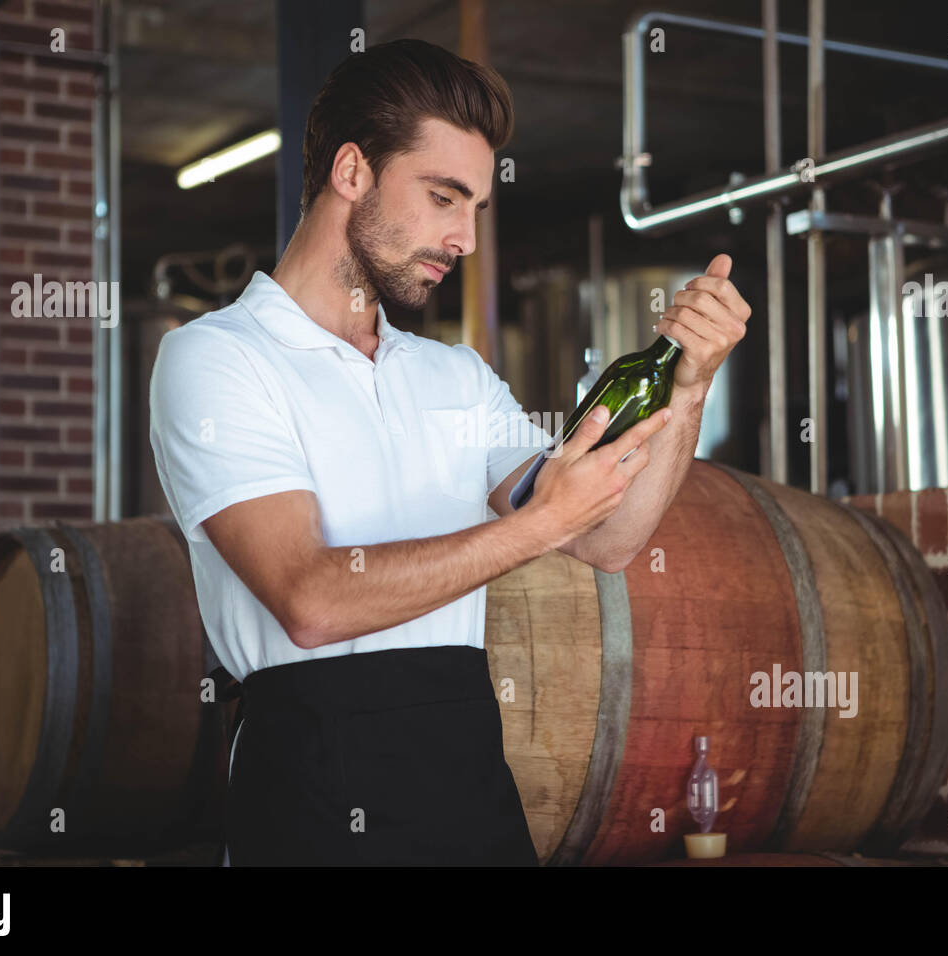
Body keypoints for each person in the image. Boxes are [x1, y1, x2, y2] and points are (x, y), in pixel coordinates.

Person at [148, 38, 750, 867]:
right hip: (308, 786)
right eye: (443, 197)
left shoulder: (455, 377)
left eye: (476, 209)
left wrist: (689, 391)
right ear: (352, 171)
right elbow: (309, 600)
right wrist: (538, 528)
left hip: (469, 780)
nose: (464, 237)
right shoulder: (217, 357)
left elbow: (609, 540)